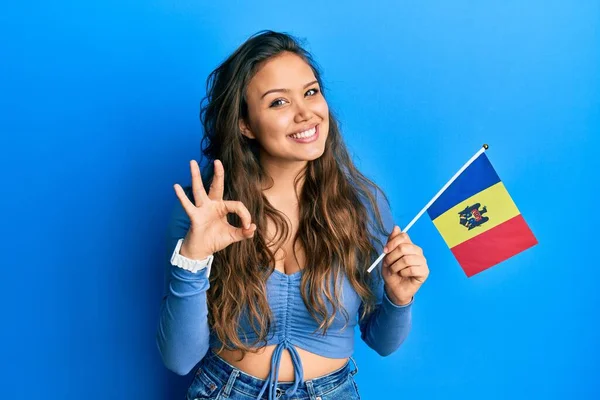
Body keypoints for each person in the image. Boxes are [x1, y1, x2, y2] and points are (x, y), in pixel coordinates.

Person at [156, 30, 430, 400]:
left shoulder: (361, 204)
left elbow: (382, 342)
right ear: (245, 124)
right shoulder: (205, 207)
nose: (305, 113)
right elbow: (180, 358)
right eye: (278, 102)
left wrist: (399, 299)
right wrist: (193, 258)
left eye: (311, 92)